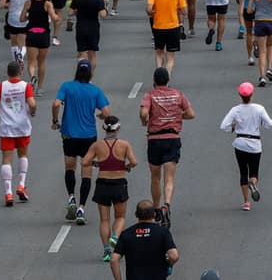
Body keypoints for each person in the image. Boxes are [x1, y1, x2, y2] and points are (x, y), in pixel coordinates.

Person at [53, 59, 111, 226]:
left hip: (69, 134)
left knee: (70, 167)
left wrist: (55, 119)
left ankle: (71, 197)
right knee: (86, 171)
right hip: (88, 136)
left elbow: (56, 103)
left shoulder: (67, 86)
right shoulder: (95, 91)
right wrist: (100, 116)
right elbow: (107, 113)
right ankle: (81, 208)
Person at [140, 67, 195, 227]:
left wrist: (145, 121)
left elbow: (144, 113)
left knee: (155, 177)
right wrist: (179, 116)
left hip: (155, 139)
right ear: (168, 81)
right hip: (172, 138)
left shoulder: (150, 95)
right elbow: (191, 113)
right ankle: (167, 205)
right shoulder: (178, 94)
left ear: (154, 80)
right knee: (169, 178)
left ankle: (156, 209)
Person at [83, 116, 138, 263]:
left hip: (103, 183)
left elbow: (84, 162)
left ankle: (107, 250)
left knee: (104, 219)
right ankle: (115, 236)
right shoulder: (124, 145)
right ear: (118, 128)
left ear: (103, 129)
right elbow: (134, 162)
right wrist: (126, 167)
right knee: (120, 216)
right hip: (120, 182)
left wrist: (96, 163)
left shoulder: (97, 145)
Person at [219, 81, 272, 211]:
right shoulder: (259, 109)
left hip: (240, 143)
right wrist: (261, 123)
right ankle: (253, 183)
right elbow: (270, 124)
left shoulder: (235, 110)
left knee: (243, 172)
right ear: (252, 94)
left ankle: (246, 202)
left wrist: (233, 126)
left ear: (240, 95)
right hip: (255, 144)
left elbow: (223, 126)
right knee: (254, 172)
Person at [0, 59, 36, 207]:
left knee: (6, 159)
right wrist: (32, 112)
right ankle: (21, 185)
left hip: (7, 128)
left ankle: (8, 193)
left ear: (8, 73)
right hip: (22, 127)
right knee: (23, 155)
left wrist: (1, 108)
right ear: (20, 72)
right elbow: (32, 103)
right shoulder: (26, 86)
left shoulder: (0, 87)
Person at [109, 200, 178, 280]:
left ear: (136, 214)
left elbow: (114, 260)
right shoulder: (163, 232)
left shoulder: (126, 234)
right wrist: (169, 265)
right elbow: (174, 256)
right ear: (154, 215)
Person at [146, 0, 187, 76]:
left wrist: (153, 12)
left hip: (158, 26)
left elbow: (149, 9)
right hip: (173, 27)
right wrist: (176, 9)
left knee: (159, 53)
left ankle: (158, 75)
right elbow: (184, 11)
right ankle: (166, 80)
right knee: (170, 57)